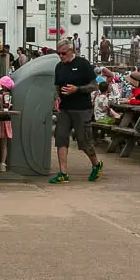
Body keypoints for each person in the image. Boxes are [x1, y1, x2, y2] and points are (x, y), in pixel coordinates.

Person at [51, 37, 106, 184]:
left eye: (63, 53)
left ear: (71, 51)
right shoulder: (59, 67)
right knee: (61, 138)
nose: (61, 56)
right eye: (59, 53)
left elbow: (94, 85)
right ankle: (63, 172)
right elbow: (56, 85)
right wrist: (57, 98)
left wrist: (78, 89)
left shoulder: (83, 64)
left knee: (83, 140)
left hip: (81, 108)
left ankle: (96, 164)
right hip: (64, 108)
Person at [0, 75, 15, 172]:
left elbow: (2, 106)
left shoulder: (3, 96)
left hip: (0, 120)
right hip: (5, 120)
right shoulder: (7, 95)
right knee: (3, 145)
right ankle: (2, 164)